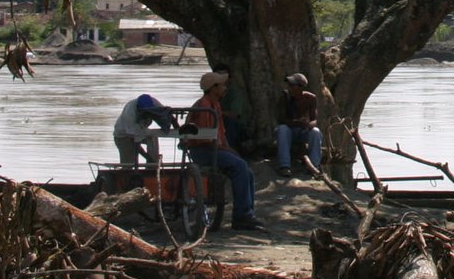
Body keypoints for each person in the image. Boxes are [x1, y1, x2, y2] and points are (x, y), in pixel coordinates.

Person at [186, 71, 264, 231]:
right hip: (203, 150)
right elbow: (205, 139)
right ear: (213, 88)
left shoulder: (216, 105)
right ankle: (242, 215)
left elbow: (221, 135)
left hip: (214, 149)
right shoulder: (203, 106)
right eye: (222, 85)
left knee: (247, 171)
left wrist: (229, 149)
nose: (225, 87)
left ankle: (247, 212)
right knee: (239, 166)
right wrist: (226, 150)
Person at [275, 72, 323, 176]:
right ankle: (285, 166)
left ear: (300, 88)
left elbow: (315, 120)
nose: (290, 88)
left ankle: (314, 166)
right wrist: (296, 122)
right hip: (289, 130)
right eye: (289, 86)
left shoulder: (310, 98)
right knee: (282, 129)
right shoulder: (285, 97)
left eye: (293, 86)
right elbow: (281, 119)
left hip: (303, 131)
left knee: (316, 132)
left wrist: (309, 124)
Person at [113, 93, 174, 165]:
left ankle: (152, 168)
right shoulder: (130, 113)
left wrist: (180, 133)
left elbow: (168, 115)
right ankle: (128, 172)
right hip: (123, 135)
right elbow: (135, 143)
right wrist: (147, 157)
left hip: (141, 129)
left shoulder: (155, 103)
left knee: (152, 137)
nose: (147, 114)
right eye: (145, 112)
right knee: (129, 163)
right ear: (139, 109)